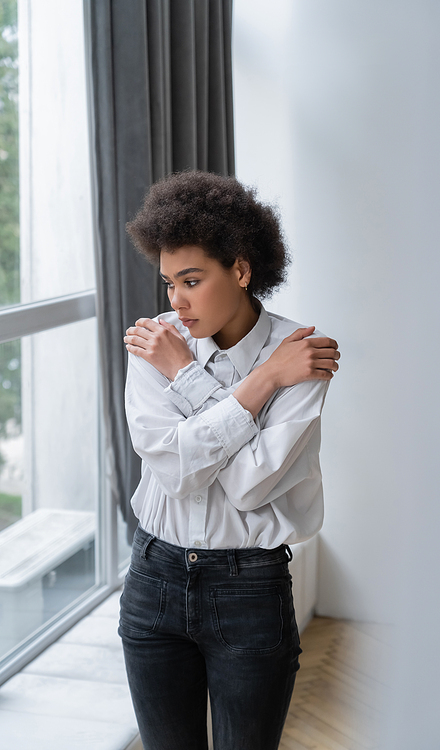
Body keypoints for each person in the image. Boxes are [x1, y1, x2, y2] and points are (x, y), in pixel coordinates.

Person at [120, 171, 340, 750]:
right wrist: (261, 383)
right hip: (153, 580)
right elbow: (174, 470)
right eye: (168, 283)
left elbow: (248, 484)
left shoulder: (301, 354)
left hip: (249, 592)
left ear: (240, 271)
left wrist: (189, 382)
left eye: (191, 281)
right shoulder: (155, 343)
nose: (176, 302)